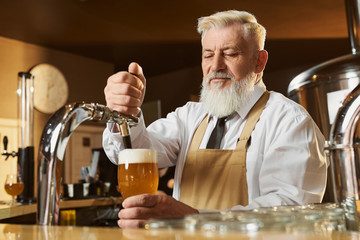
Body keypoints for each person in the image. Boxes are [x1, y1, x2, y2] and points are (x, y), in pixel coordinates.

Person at [103, 10, 327, 228]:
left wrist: (197, 219)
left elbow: (291, 212)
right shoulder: (189, 117)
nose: (216, 66)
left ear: (259, 61)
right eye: (208, 55)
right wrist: (125, 114)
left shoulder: (288, 120)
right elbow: (129, 152)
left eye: (230, 54)